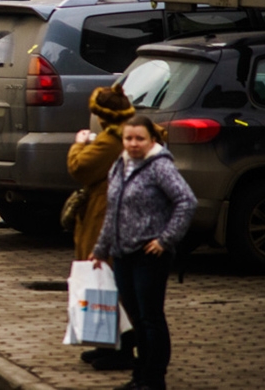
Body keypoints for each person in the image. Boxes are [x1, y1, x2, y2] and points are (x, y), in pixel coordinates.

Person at [91, 114, 197, 390]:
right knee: (136, 317)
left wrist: (166, 239)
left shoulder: (160, 166)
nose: (134, 144)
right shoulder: (120, 164)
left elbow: (186, 201)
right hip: (122, 253)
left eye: (140, 138)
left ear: (152, 140)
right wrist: (101, 249)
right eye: (129, 138)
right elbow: (113, 211)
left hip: (150, 255)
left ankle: (154, 378)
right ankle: (139, 376)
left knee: (151, 318)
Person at [67, 85, 136, 371]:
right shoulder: (121, 136)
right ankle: (104, 341)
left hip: (104, 210)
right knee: (102, 277)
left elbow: (80, 167)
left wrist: (79, 143)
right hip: (105, 208)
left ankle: (120, 346)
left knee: (104, 275)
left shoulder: (111, 139)